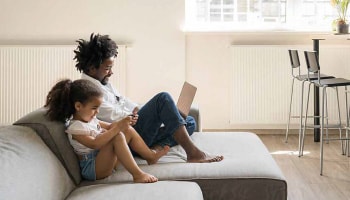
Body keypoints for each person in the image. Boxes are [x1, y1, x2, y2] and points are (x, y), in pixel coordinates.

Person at [74, 33, 223, 163]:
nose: (111, 72)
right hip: (126, 136)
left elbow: (123, 101)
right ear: (92, 68)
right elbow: (116, 118)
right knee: (163, 99)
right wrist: (154, 116)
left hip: (136, 131)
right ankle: (193, 154)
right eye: (107, 68)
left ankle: (153, 148)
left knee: (188, 122)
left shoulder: (102, 82)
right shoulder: (89, 93)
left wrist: (148, 112)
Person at [44, 79, 169, 182]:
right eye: (94, 108)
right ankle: (138, 174)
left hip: (102, 158)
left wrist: (125, 122)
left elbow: (110, 127)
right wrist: (118, 127)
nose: (97, 112)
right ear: (78, 106)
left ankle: (150, 156)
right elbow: (95, 143)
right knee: (117, 136)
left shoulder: (91, 120)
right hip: (93, 168)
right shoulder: (75, 127)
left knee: (127, 130)